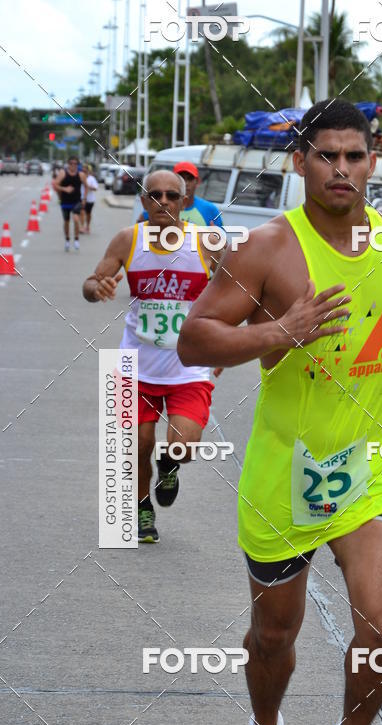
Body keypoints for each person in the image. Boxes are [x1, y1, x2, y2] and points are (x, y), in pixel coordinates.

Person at [177, 100, 382, 725]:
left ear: (374, 161)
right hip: (282, 470)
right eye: (325, 155)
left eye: (354, 156)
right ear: (300, 162)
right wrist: (280, 329)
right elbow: (195, 340)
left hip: (373, 463)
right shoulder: (267, 249)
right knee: (275, 635)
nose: (341, 169)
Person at [83, 169, 222, 543]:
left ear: (184, 200)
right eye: (154, 195)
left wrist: (224, 344)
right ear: (144, 201)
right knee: (138, 443)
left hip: (188, 367)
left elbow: (238, 292)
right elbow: (90, 284)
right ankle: (144, 509)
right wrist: (99, 287)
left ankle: (169, 464)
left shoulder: (206, 242)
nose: (163, 201)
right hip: (135, 365)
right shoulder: (129, 240)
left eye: (171, 196)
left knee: (184, 445)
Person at [138, 161, 223, 228]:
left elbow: (222, 243)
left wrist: (215, 241)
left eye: (190, 179)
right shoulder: (153, 210)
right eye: (181, 178)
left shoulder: (210, 210)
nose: (185, 183)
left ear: (197, 181)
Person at [52, 155, 88, 251]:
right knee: (66, 221)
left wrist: (84, 198)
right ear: (68, 164)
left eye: (75, 164)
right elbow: (55, 185)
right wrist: (65, 189)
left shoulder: (81, 175)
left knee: (76, 219)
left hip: (76, 201)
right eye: (71, 163)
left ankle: (76, 239)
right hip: (65, 201)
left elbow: (86, 186)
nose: (73, 165)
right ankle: (67, 240)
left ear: (77, 165)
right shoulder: (63, 173)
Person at [81, 164, 98, 233]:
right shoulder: (80, 177)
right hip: (81, 199)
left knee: (88, 214)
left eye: (85, 170)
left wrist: (89, 186)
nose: (84, 172)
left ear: (88, 171)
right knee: (82, 212)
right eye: (83, 170)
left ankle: (87, 225)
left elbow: (95, 188)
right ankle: (82, 227)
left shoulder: (92, 179)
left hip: (90, 200)